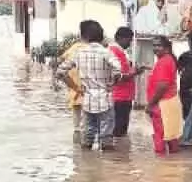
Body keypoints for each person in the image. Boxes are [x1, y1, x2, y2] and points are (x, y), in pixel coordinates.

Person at [55, 21, 134, 151]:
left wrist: (76, 87)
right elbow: (118, 69)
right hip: (105, 100)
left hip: (87, 100)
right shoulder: (106, 53)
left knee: (87, 139)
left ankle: (87, 167)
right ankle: (107, 168)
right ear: (100, 35)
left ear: (84, 35)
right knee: (107, 140)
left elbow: (60, 72)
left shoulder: (79, 53)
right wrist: (112, 84)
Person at [108, 27, 147, 145]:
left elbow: (124, 71)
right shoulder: (113, 52)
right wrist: (135, 72)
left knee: (122, 129)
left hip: (125, 95)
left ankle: (122, 157)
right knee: (118, 130)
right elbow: (118, 76)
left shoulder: (120, 51)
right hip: (119, 96)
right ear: (120, 38)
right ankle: (118, 158)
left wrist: (134, 70)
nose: (130, 44)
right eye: (129, 41)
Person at [146, 35, 184, 155]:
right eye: (154, 45)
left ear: (167, 48)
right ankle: (173, 167)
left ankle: (161, 169)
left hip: (162, 104)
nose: (155, 48)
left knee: (160, 139)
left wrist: (150, 104)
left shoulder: (164, 62)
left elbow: (162, 86)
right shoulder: (168, 59)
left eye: (159, 45)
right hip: (170, 102)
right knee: (172, 137)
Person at [58, 38, 85, 142]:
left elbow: (61, 59)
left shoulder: (73, 47)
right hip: (83, 84)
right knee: (85, 117)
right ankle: (82, 146)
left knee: (76, 116)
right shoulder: (87, 48)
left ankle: (77, 144)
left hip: (72, 84)